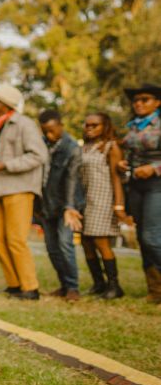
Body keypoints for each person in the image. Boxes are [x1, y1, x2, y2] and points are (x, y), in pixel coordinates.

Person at [0, 84, 48, 300]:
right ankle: (14, 284)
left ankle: (30, 287)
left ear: (5, 103)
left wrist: (6, 165)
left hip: (19, 188)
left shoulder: (24, 124)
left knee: (16, 239)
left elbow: (39, 155)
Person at [76, 112, 126, 299]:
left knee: (100, 241)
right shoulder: (85, 148)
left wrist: (119, 205)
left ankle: (114, 286)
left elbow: (116, 178)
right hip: (84, 200)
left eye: (94, 125)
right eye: (87, 125)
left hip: (102, 199)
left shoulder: (111, 147)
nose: (89, 128)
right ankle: (99, 283)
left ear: (105, 126)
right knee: (86, 242)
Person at [36, 110, 83, 301]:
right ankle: (64, 285)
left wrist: (69, 207)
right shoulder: (41, 144)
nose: (49, 135)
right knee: (52, 247)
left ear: (61, 126)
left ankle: (73, 287)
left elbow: (72, 179)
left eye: (52, 130)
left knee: (65, 244)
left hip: (65, 205)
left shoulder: (72, 148)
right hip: (46, 203)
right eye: (45, 131)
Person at [121, 83, 161, 304]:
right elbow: (131, 152)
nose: (138, 103)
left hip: (157, 184)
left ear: (157, 102)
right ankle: (155, 291)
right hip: (136, 185)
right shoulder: (134, 125)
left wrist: (154, 169)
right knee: (142, 238)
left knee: (152, 236)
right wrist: (123, 163)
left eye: (145, 99)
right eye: (136, 100)